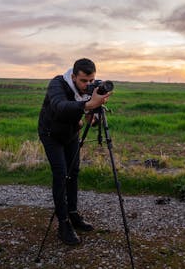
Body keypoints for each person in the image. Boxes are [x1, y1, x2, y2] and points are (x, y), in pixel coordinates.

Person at [38, 58, 112, 245]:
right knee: (61, 174)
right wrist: (88, 105)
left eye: (91, 80)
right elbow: (60, 106)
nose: (87, 85)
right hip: (51, 134)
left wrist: (92, 114)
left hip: (71, 134)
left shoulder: (92, 88)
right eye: (83, 81)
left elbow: (90, 121)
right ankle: (63, 224)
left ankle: (73, 214)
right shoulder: (58, 84)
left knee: (73, 173)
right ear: (73, 76)